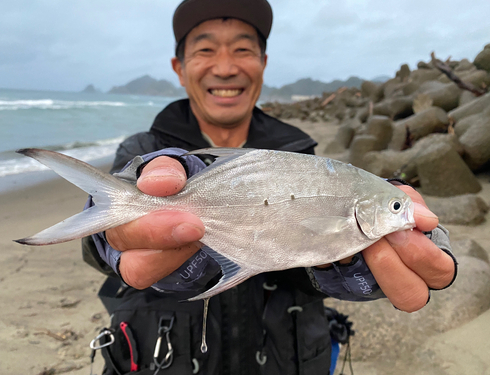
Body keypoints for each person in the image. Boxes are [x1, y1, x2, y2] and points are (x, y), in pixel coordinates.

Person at [82, 0, 457, 374]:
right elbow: (100, 242)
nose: (226, 67)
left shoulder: (301, 153)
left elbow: (294, 255)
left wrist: (345, 265)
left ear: (263, 62)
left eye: (243, 49)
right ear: (179, 68)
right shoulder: (141, 150)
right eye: (206, 49)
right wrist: (108, 239)